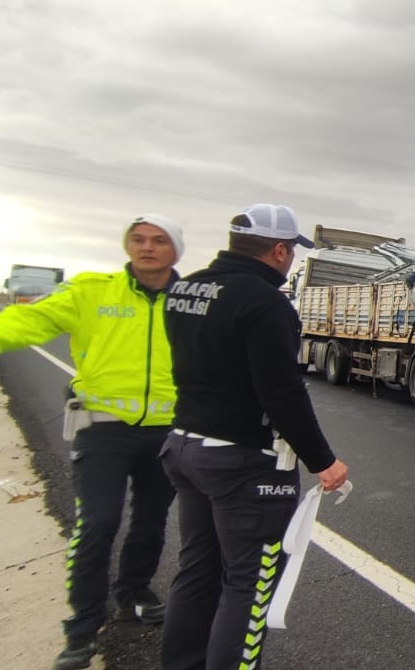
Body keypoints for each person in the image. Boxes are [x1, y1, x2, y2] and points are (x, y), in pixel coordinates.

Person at [0, 214, 186, 670]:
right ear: (127, 246)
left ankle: (133, 593)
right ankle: (83, 628)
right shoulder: (93, 291)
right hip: (102, 428)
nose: (147, 247)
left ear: (175, 250)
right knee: (98, 523)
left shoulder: (189, 302)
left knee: (151, 521)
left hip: (166, 432)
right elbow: (31, 321)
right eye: (138, 239)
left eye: (159, 240)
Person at [160, 203, 349, 670]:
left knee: (197, 572)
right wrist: (322, 461)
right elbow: (281, 392)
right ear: (280, 250)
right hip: (242, 465)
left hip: (185, 446)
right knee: (249, 585)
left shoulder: (185, 289)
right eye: (290, 253)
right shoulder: (264, 302)